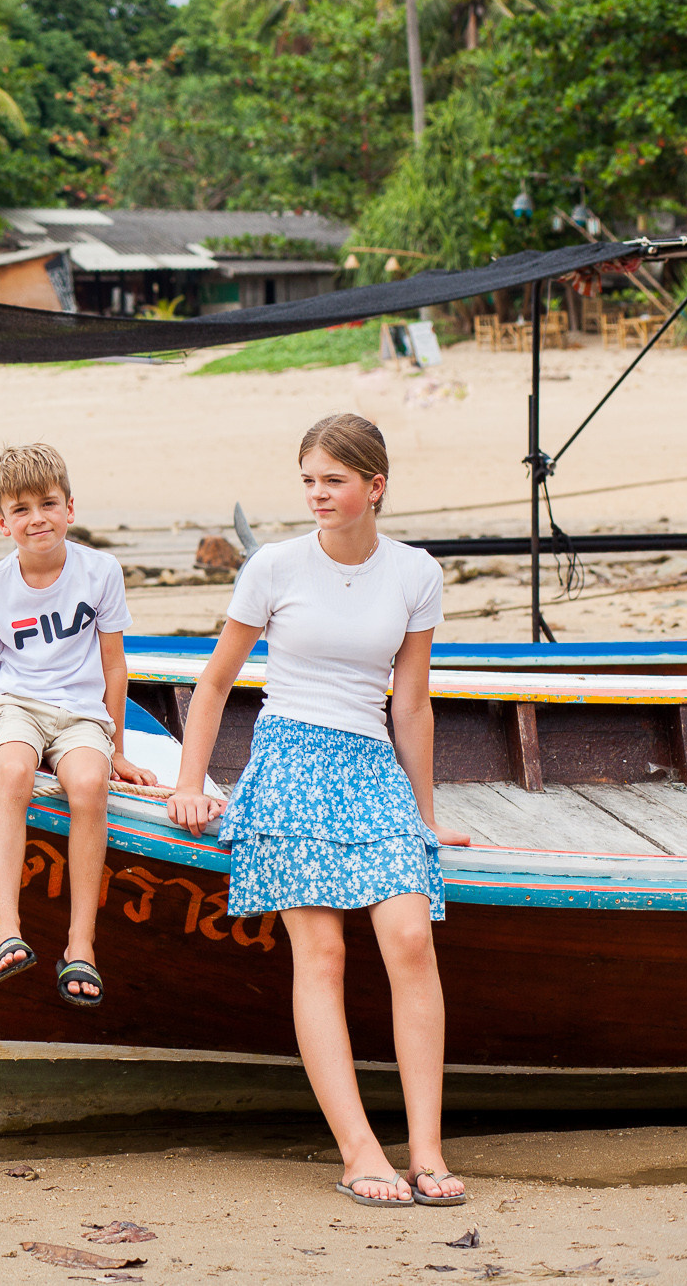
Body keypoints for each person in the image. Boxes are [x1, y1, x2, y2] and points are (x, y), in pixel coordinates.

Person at [166, 413, 471, 1211]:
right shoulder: (274, 566)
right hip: (291, 759)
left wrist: (425, 817)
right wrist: (191, 779)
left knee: (409, 935)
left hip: (371, 768)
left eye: (333, 479)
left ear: (375, 486)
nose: (317, 494)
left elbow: (411, 703)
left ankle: (428, 1149)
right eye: (308, 479)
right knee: (324, 953)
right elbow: (215, 682)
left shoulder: (414, 573)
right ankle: (359, 1148)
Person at [0, 444, 156, 1005]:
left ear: (70, 508)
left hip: (83, 713)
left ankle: (81, 944)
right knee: (13, 774)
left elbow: (113, 665)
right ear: (2, 521)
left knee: (88, 785)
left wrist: (118, 748)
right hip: (18, 705)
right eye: (22, 508)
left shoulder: (100, 571)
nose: (38, 518)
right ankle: (5, 928)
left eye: (48, 504)